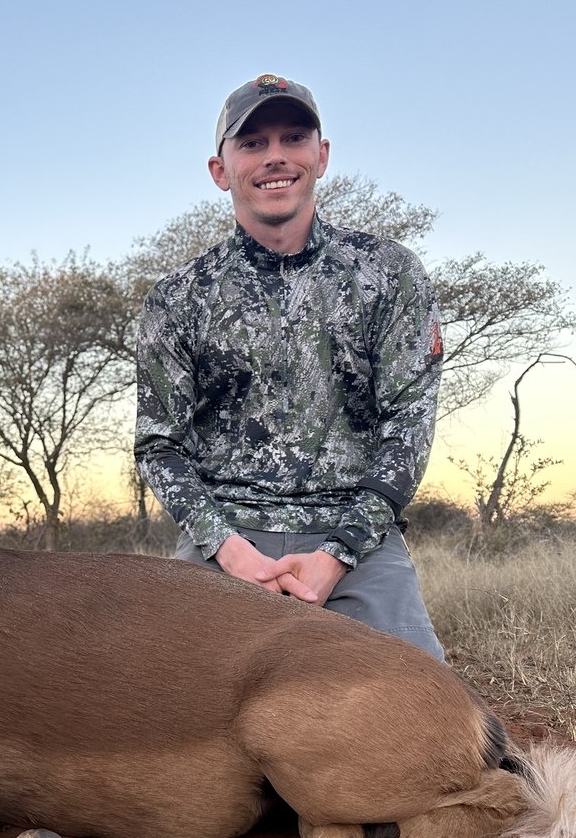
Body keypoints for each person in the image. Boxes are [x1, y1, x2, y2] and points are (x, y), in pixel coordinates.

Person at [134, 73, 446, 660]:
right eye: (251, 143)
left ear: (321, 156)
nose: (275, 157)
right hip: (223, 545)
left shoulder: (391, 273)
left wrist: (338, 553)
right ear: (220, 170)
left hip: (356, 543)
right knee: (162, 711)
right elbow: (158, 445)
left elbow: (408, 429)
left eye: (293, 138)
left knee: (428, 716)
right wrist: (228, 549)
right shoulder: (177, 297)